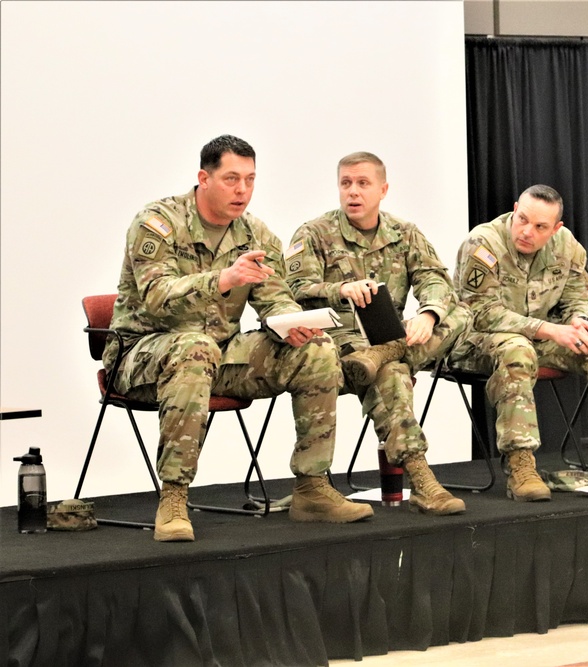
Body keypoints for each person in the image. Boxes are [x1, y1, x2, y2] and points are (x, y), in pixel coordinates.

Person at [105, 135, 372, 543]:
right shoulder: (158, 222)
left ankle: (312, 487)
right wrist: (223, 279)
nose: (242, 190)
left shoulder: (256, 235)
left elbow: (274, 297)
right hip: (143, 353)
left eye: (249, 179)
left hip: (218, 355)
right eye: (231, 179)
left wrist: (291, 322)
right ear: (203, 178)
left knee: (315, 349)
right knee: (195, 345)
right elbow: (157, 297)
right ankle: (174, 496)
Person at [449, 185, 588, 502]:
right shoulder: (484, 243)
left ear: (555, 228)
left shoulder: (567, 247)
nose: (527, 231)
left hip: (538, 339)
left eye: (540, 226)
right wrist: (548, 329)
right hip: (477, 341)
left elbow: (577, 298)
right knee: (517, 349)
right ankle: (521, 466)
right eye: (522, 219)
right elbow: (480, 313)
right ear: (515, 209)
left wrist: (581, 321)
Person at [286, 151, 468, 516]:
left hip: (386, 339)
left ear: (383, 189)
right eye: (346, 184)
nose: (353, 192)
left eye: (363, 184)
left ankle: (386, 352)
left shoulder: (405, 233)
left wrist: (428, 315)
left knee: (459, 311)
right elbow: (292, 289)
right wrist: (339, 289)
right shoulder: (314, 233)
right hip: (336, 342)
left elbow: (435, 280)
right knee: (394, 372)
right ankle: (422, 479)